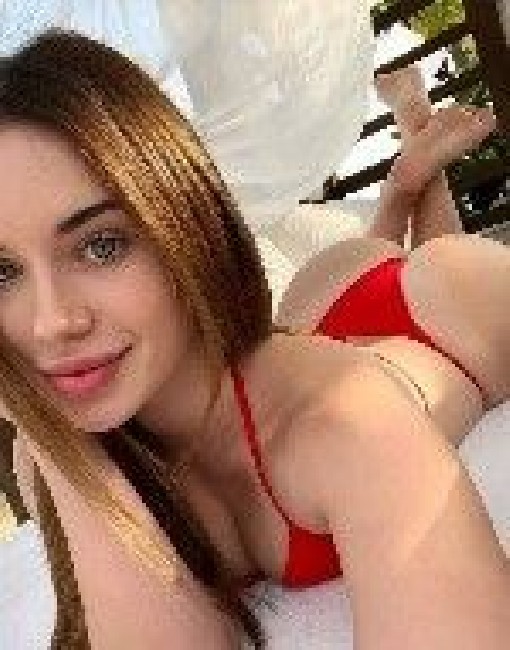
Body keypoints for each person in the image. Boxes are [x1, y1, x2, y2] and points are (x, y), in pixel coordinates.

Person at [2, 29, 509, 649]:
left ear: (186, 217)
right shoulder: (48, 455)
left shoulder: (346, 422)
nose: (51, 323)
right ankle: (406, 176)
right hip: (316, 308)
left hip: (443, 317)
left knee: (440, 256)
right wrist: (47, 427)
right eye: (1, 273)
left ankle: (413, 155)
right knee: (389, 258)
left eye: (101, 245)